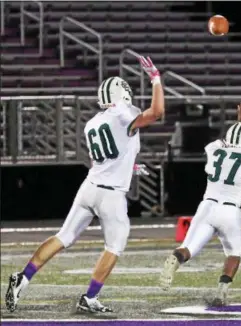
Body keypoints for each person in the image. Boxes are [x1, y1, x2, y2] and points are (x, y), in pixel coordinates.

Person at [5, 56, 164, 313]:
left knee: (63, 237)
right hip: (110, 196)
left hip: (90, 187)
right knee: (114, 246)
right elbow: (157, 113)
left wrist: (131, 167)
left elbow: (107, 157)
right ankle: (89, 298)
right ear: (121, 94)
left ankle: (22, 277)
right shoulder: (126, 113)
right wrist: (156, 79)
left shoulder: (93, 123)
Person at [159, 101, 241, 306]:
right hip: (229, 210)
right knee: (234, 253)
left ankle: (177, 258)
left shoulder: (215, 149)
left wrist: (239, 124)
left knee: (188, 248)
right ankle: (221, 292)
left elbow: (230, 143)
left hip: (206, 207)